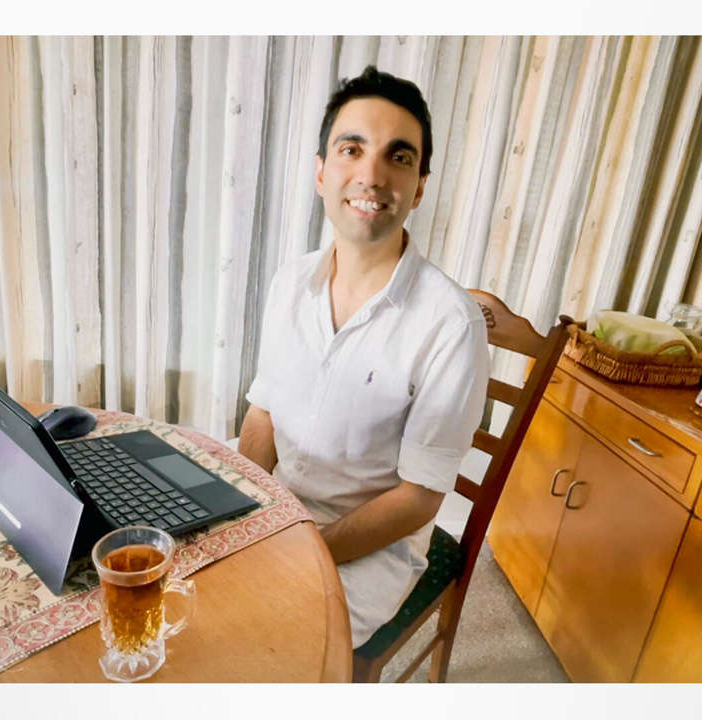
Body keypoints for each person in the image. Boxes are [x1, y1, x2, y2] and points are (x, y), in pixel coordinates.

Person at [237, 65, 489, 648]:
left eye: (398, 157)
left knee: (253, 647)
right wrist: (244, 513)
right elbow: (263, 412)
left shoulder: (452, 325)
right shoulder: (289, 281)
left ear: (419, 187)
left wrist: (299, 549)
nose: (371, 176)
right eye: (352, 150)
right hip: (278, 511)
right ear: (321, 172)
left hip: (367, 552)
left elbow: (419, 497)